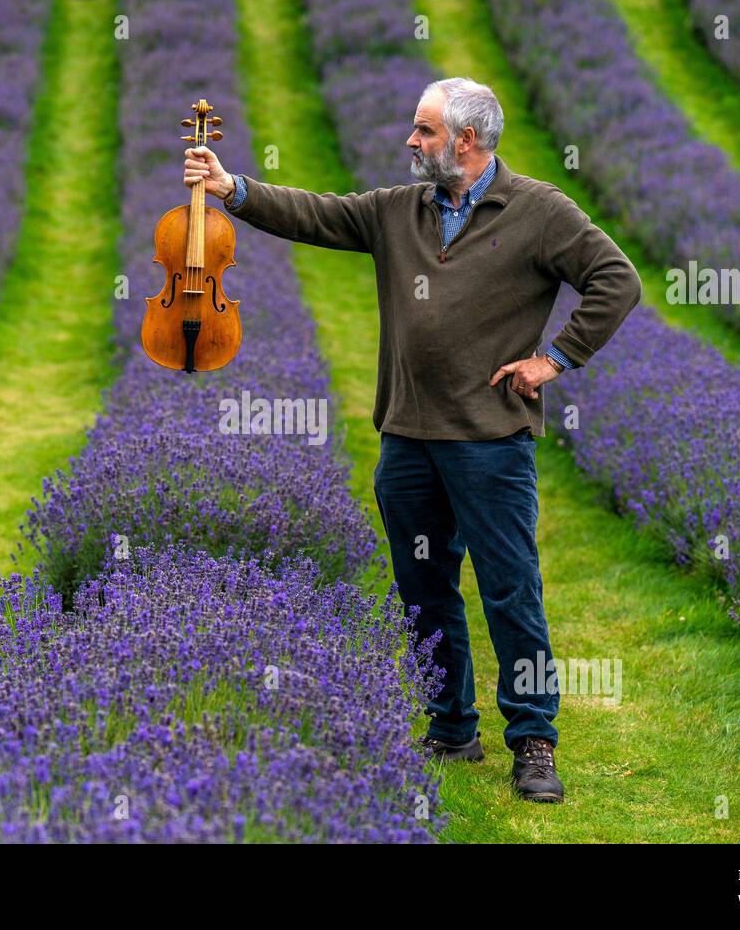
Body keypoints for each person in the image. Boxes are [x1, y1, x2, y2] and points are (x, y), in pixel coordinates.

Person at [182, 76, 641, 803]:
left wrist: (553, 359)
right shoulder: (401, 210)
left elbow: (616, 278)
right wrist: (233, 186)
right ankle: (451, 727)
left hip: (490, 440)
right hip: (407, 439)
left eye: (424, 131)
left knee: (510, 590)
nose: (410, 141)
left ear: (465, 139)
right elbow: (317, 214)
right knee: (424, 589)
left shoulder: (539, 212)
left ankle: (533, 743)